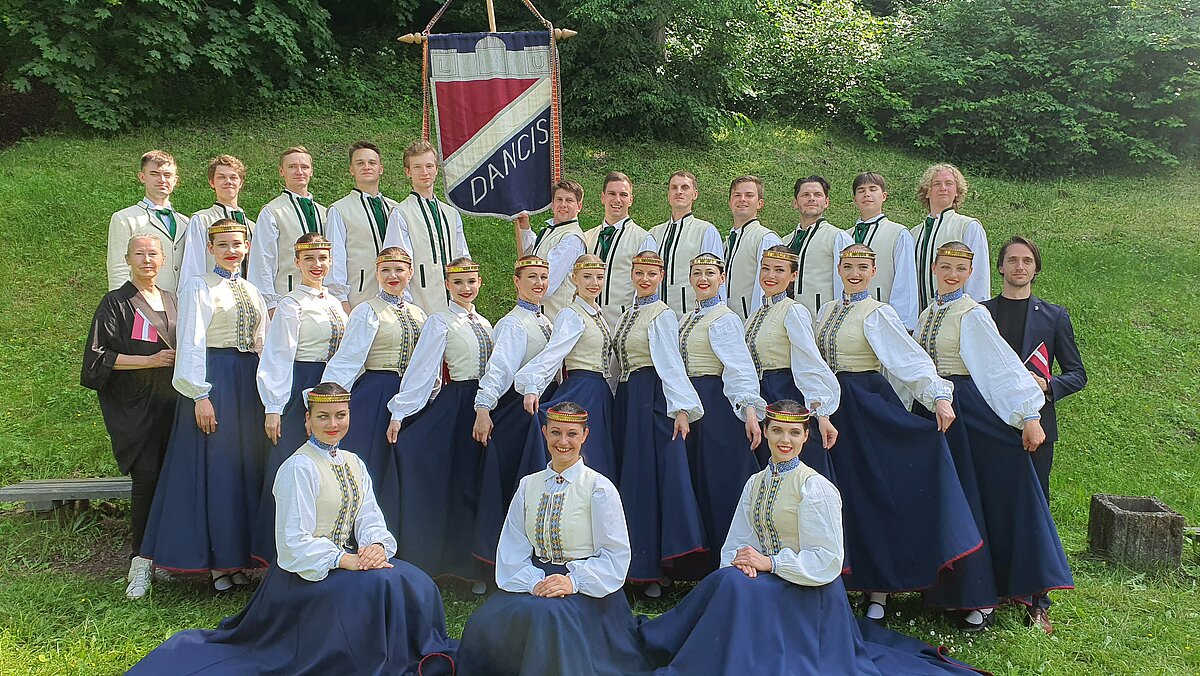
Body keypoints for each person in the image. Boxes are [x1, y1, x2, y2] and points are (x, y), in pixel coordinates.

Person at [127, 383, 457, 676]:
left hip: (346, 565)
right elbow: (293, 545)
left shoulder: (354, 462)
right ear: (307, 420)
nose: (333, 424)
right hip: (302, 576)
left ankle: (407, 655)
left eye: (340, 415)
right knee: (379, 587)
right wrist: (347, 560)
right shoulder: (299, 467)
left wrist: (375, 547)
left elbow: (369, 515)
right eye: (323, 417)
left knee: (414, 580)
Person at [638, 401, 983, 676]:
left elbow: (827, 560)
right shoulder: (755, 483)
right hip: (765, 581)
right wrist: (744, 562)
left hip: (809, 590)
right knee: (728, 579)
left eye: (793, 433)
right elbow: (739, 539)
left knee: (732, 587)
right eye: (777, 431)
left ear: (806, 437)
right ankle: (689, 651)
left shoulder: (815, 488)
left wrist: (770, 563)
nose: (784, 440)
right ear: (766, 432)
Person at [813, 243, 983, 621]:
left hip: (866, 408)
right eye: (848, 266)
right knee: (839, 497)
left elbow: (908, 360)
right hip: (831, 410)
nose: (854, 274)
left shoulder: (878, 313)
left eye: (862, 267)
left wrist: (938, 396)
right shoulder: (826, 311)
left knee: (874, 494)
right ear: (838, 269)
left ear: (873, 273)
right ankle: (842, 580)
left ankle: (880, 590)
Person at [915, 242, 1073, 632]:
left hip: (966, 412)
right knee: (945, 502)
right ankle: (947, 592)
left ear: (971, 273)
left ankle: (982, 598)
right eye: (945, 267)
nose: (952, 275)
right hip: (934, 411)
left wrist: (1029, 414)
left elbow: (999, 368)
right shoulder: (929, 313)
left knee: (973, 500)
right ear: (934, 268)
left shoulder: (972, 314)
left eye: (960, 269)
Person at [456, 403, 654, 676]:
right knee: (484, 620)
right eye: (556, 432)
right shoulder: (528, 485)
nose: (563, 442)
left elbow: (614, 555)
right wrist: (534, 582)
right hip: (537, 579)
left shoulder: (599, 488)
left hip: (590, 590)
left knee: (547, 618)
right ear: (544, 433)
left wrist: (572, 581)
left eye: (572, 434)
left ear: (584, 436)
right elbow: (513, 546)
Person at [140, 219, 268, 592]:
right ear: (210, 248)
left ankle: (235, 560)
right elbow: (192, 341)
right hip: (216, 380)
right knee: (217, 468)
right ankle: (216, 566)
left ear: (246, 248)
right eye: (223, 244)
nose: (231, 251)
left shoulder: (252, 290)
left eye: (237, 244)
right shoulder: (200, 286)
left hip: (246, 383)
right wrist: (200, 395)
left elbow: (260, 341)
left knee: (241, 469)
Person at [981, 235, 1086, 633]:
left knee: (1035, 510)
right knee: (991, 506)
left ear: (1036, 268)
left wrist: (1047, 385)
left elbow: (1077, 374)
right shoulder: (981, 313)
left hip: (1037, 429)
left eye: (1026, 260)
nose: (1019, 267)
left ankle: (1038, 601)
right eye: (1012, 260)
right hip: (990, 425)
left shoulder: (1054, 316)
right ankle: (992, 591)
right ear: (1000, 267)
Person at [385, 257, 493, 587]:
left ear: (480, 283)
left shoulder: (486, 323)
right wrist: (401, 412)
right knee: (459, 483)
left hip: (486, 405)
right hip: (459, 404)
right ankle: (452, 565)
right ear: (447, 285)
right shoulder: (439, 321)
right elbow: (424, 368)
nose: (466, 288)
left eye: (471, 281)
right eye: (458, 282)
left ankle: (480, 565)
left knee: (480, 484)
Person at [82, 234, 178, 599]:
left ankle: (162, 557)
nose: (147, 259)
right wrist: (148, 361)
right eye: (139, 253)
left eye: (153, 253)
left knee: (170, 483)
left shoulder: (172, 300)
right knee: (146, 481)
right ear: (128, 259)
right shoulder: (115, 303)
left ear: (163, 259)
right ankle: (139, 561)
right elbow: (97, 359)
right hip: (137, 408)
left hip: (173, 406)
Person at [611, 251, 707, 593]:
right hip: (627, 399)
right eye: (639, 273)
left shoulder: (662, 314)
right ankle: (629, 565)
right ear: (632, 274)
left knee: (645, 481)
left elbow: (670, 362)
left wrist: (681, 408)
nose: (645, 279)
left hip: (650, 396)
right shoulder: (627, 314)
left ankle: (651, 569)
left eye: (651, 274)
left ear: (662, 276)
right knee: (630, 478)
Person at [252, 233, 348, 565]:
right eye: (309, 259)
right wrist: (274, 407)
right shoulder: (292, 304)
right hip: (300, 388)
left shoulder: (334, 303)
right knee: (293, 465)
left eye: (322, 258)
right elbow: (278, 355)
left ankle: (326, 546)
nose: (316, 265)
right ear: (297, 262)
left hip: (332, 387)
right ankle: (277, 554)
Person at [320, 246, 427, 532]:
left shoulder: (419, 314)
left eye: (399, 269)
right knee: (372, 465)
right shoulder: (367, 311)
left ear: (410, 273)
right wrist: (326, 402)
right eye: (385, 270)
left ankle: (397, 536)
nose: (393, 276)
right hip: (376, 394)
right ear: (377, 274)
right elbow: (348, 359)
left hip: (411, 396)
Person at [678, 254, 767, 571]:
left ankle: (734, 561)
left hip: (716, 402)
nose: (703, 279)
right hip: (692, 403)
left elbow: (738, 366)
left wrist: (749, 409)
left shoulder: (724, 318)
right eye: (697, 273)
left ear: (722, 278)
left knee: (721, 482)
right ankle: (702, 564)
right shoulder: (687, 318)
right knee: (696, 480)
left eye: (710, 273)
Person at [471, 255, 557, 568]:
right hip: (518, 414)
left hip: (540, 411)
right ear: (516, 281)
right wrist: (483, 407)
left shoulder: (546, 322)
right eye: (531, 277)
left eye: (543, 277)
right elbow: (500, 369)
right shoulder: (513, 323)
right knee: (518, 485)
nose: (539, 283)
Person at [514, 254, 617, 481]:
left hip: (600, 393)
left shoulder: (598, 314)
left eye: (599, 277)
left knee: (597, 457)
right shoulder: (571, 314)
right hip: (582, 390)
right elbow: (554, 352)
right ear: (574, 278)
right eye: (587, 276)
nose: (594, 283)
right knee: (584, 454)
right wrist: (532, 384)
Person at [743, 245, 840, 479]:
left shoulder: (793, 311)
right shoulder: (755, 315)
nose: (770, 275)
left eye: (779, 270)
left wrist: (822, 413)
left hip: (786, 394)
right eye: (765, 269)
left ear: (793, 275)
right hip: (762, 396)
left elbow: (809, 361)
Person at [383, 140, 471, 315]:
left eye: (429, 166)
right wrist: (406, 307)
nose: (424, 172)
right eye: (417, 167)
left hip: (455, 304)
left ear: (436, 169)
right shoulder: (401, 213)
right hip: (420, 303)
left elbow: (463, 258)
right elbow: (398, 264)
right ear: (408, 172)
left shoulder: (451, 214)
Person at [247, 145, 328, 313]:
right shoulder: (272, 211)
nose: (299, 171)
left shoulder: (324, 212)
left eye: (304, 167)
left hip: (323, 299)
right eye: (292, 167)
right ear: (282, 171)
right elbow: (262, 260)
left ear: (311, 171)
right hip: (287, 299)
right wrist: (270, 305)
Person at [327, 141, 401, 311]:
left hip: (396, 298)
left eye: (372, 163)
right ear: (351, 170)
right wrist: (341, 302)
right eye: (360, 163)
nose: (366, 167)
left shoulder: (395, 208)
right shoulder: (340, 209)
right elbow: (336, 259)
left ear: (381, 169)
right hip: (359, 298)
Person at [106, 150, 188, 293]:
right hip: (143, 300)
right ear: (142, 177)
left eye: (167, 175)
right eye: (154, 174)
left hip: (183, 300)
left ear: (175, 180)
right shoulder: (125, 219)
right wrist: (121, 303)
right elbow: (118, 268)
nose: (162, 180)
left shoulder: (186, 222)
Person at [912, 163, 990, 311]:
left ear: (957, 192)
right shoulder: (914, 233)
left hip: (958, 314)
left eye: (949, 183)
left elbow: (979, 278)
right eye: (936, 184)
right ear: (927, 192)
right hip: (922, 317)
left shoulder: (968, 226)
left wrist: (975, 313)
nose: (943, 188)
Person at [645, 171, 723, 317]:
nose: (679, 192)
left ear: (695, 194)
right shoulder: (654, 233)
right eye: (674, 187)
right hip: (656, 315)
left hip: (691, 315)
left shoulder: (705, 231)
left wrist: (715, 315)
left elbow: (716, 279)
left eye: (685, 187)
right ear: (668, 195)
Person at [849, 172, 918, 330]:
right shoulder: (846, 236)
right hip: (850, 318)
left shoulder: (898, 233)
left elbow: (905, 280)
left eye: (873, 189)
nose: (867, 194)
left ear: (884, 196)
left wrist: (902, 324)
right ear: (855, 199)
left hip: (884, 318)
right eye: (861, 191)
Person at [581, 171, 650, 331]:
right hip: (587, 324)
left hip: (623, 323)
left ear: (630, 200)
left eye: (623, 195)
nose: (617, 200)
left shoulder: (643, 238)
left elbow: (646, 287)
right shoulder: (587, 237)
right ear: (603, 197)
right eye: (612, 194)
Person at [514, 179, 587, 319]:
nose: (563, 205)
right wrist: (524, 227)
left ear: (579, 206)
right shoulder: (552, 230)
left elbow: (547, 283)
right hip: (537, 314)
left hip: (555, 317)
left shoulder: (571, 238)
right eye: (559, 199)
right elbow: (532, 257)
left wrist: (523, 290)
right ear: (552, 204)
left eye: (569, 200)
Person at [783, 175, 852, 319]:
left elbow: (846, 283)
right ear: (795, 202)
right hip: (786, 317)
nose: (811, 199)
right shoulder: (785, 241)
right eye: (805, 195)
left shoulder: (837, 237)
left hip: (821, 318)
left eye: (817, 195)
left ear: (826, 202)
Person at [179, 154, 255, 284]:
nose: (228, 181)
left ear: (241, 182)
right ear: (212, 182)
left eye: (233, 177)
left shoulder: (252, 226)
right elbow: (192, 264)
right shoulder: (201, 220)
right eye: (221, 177)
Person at [722, 175, 783, 320]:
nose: (742, 199)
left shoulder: (765, 238)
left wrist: (757, 322)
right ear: (730, 202)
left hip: (750, 321)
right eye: (737, 195)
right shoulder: (727, 243)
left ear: (759, 203)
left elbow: (768, 287)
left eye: (749, 195)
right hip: (726, 320)